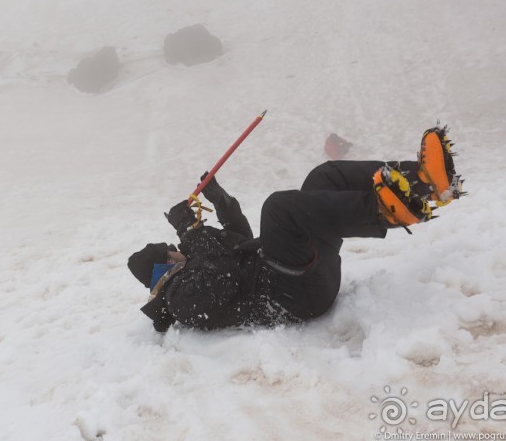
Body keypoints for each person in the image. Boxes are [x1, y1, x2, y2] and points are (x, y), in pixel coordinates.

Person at [127, 126, 464, 332]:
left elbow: (239, 235)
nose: (177, 249)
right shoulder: (181, 300)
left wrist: (219, 197)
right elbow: (224, 277)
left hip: (302, 270)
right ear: (163, 267)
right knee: (278, 207)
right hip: (295, 297)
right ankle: (388, 211)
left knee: (322, 177)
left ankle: (422, 181)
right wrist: (190, 232)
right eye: (170, 250)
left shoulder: (196, 260)